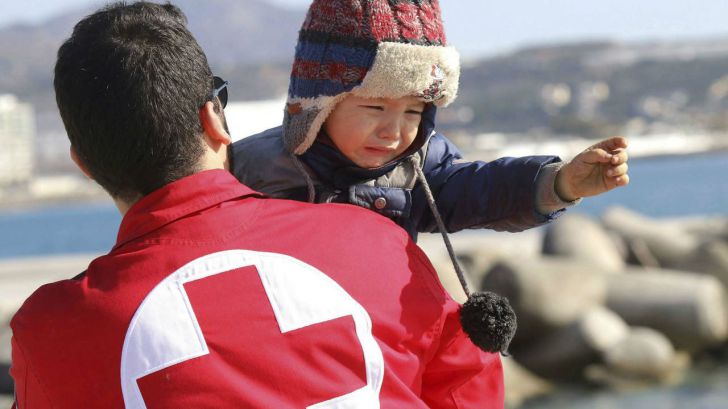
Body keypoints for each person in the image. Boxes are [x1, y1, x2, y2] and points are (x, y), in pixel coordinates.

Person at [9, 2, 508, 408]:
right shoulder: (377, 242)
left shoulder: (51, 331)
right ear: (215, 119)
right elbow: (465, 386)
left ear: (84, 164)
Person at [232, 0, 629, 242]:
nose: (393, 131)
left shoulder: (420, 168)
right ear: (320, 104)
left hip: (378, 346)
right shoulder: (249, 169)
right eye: (374, 108)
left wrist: (559, 183)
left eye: (414, 112)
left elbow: (480, 191)